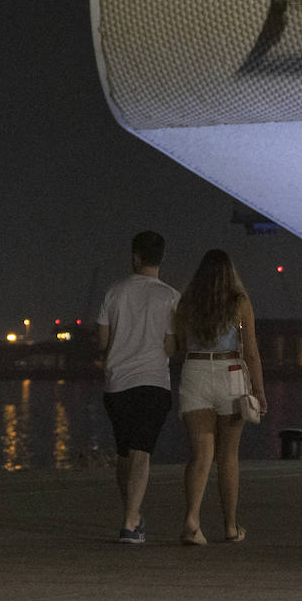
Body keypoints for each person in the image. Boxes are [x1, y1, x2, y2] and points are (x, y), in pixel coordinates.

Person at [174, 249, 266, 546]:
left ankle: (192, 519)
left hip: (195, 371)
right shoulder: (240, 303)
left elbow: (177, 342)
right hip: (230, 373)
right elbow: (251, 351)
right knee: (228, 456)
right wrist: (260, 391)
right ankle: (229, 526)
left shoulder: (186, 302)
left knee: (200, 455)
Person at [97, 230, 179, 544]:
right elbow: (170, 348)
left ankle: (132, 516)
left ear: (135, 256)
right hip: (153, 383)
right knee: (141, 453)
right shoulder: (171, 297)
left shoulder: (113, 293)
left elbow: (103, 342)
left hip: (117, 384)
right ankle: (131, 523)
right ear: (160, 258)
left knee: (124, 454)